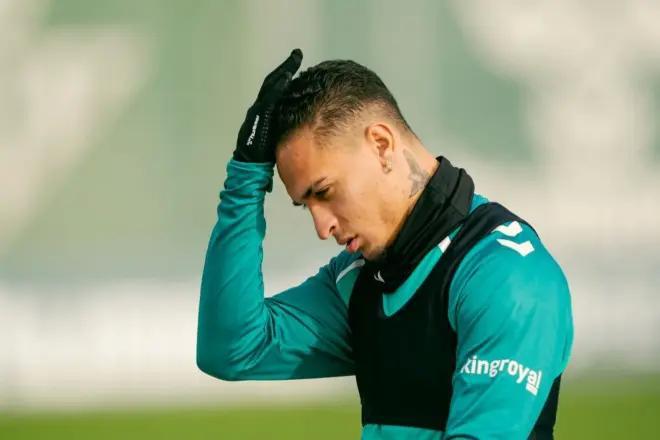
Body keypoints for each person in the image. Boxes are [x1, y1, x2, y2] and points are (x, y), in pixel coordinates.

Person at [196, 48, 574, 440]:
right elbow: (231, 348)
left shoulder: (506, 276)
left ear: (380, 144)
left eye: (324, 192)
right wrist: (246, 177)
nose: (322, 227)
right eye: (305, 205)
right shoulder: (360, 278)